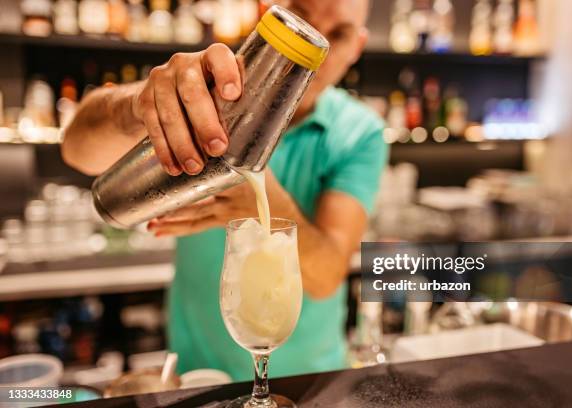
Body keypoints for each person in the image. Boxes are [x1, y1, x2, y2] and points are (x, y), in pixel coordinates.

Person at [62, 0, 387, 380]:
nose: (317, 44)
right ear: (268, 14)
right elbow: (75, 148)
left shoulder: (360, 132)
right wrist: (137, 106)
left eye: (340, 35)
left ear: (357, 48)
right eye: (301, 16)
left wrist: (259, 201)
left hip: (307, 381)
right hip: (198, 374)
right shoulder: (206, 99)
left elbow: (328, 273)